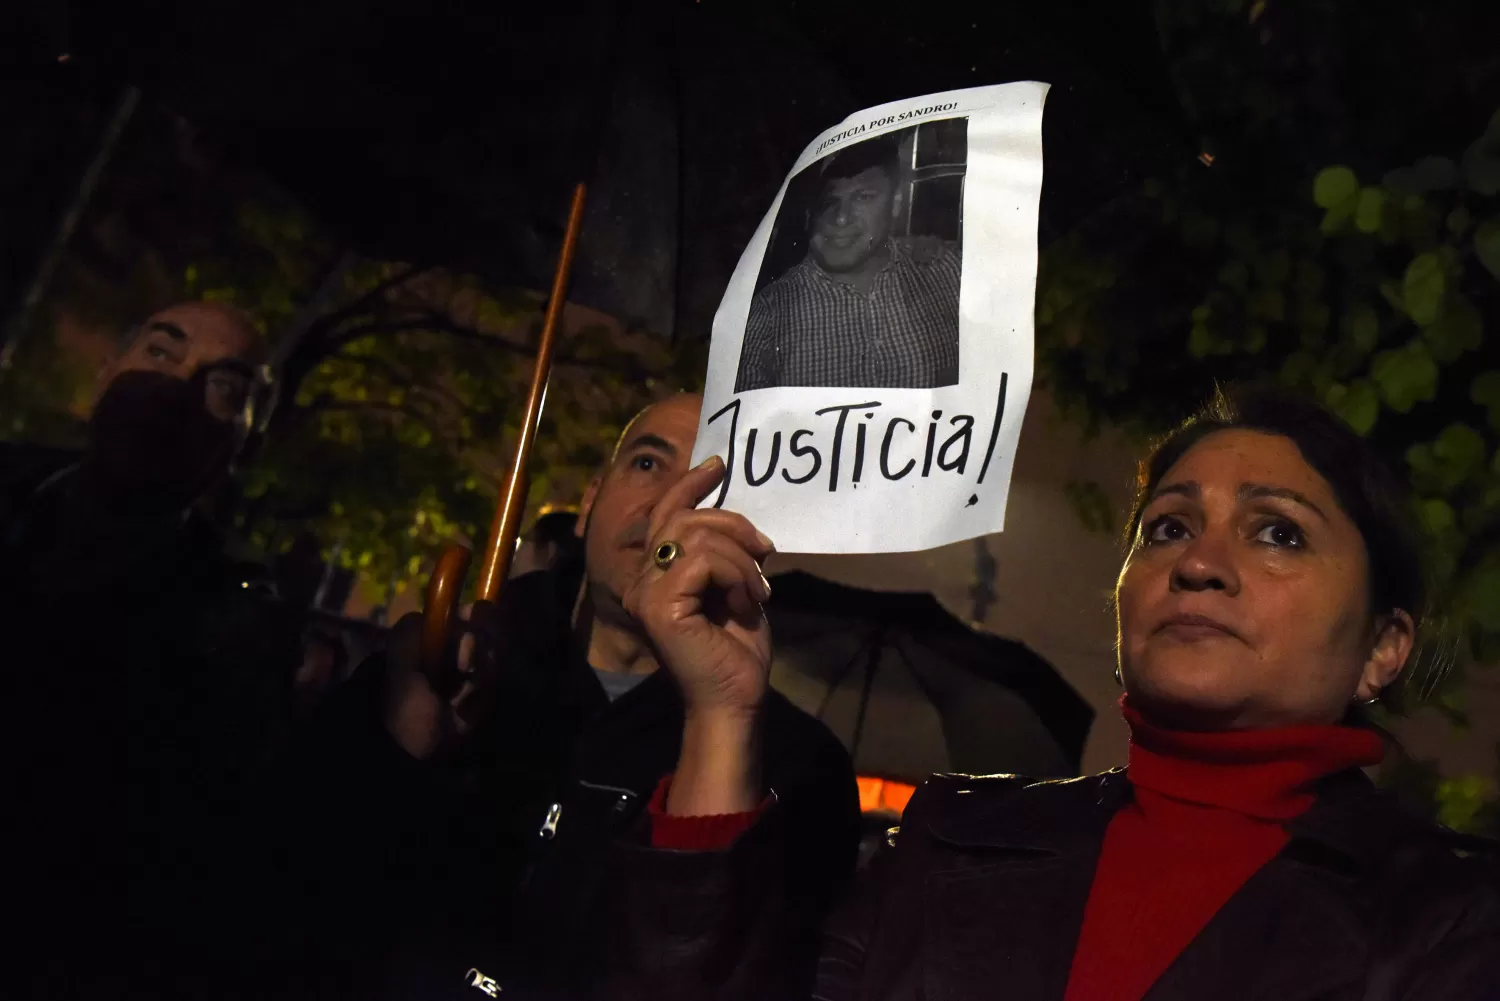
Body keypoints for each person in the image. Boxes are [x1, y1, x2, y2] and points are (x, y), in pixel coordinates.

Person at [603, 388, 1500, 1001]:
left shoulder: (1449, 922)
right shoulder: (951, 838)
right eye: (1169, 526)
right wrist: (721, 714)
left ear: (1384, 646)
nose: (1197, 563)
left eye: (1277, 532)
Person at [277, 392, 860, 999]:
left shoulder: (794, 764)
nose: (668, 504)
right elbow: (280, 890)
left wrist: (722, 720)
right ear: (588, 503)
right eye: (647, 464)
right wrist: (394, 753)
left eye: (708, 488)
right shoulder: (441, 663)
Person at [0, 300, 301, 999]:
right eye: (161, 354)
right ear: (107, 370)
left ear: (244, 441)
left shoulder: (236, 643)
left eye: (224, 386)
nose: (174, 393)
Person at [735, 135, 962, 391]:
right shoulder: (766, 315)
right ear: (809, 215)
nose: (841, 219)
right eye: (829, 202)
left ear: (895, 203)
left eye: (863, 197)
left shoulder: (948, 270)